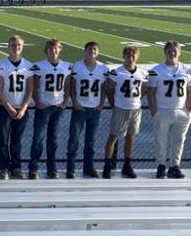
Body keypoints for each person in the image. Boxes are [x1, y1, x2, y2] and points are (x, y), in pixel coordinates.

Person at [147, 41, 191, 179]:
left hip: (181, 111)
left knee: (179, 141)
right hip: (162, 110)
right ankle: (161, 165)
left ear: (179, 52)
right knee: (160, 141)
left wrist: (189, 110)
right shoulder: (156, 70)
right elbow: (150, 92)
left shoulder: (188, 70)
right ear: (165, 53)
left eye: (175, 51)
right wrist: (154, 112)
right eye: (169, 51)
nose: (172, 53)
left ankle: (174, 166)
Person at [28, 38, 71, 180]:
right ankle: (33, 168)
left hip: (58, 107)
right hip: (44, 106)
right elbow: (33, 86)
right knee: (38, 139)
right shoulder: (40, 66)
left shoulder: (66, 66)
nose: (53, 51)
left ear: (60, 50)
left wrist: (65, 101)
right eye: (51, 49)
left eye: (56, 48)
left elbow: (67, 86)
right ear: (46, 51)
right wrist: (37, 101)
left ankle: (52, 168)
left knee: (53, 140)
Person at [66, 41, 109, 179]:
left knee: (91, 142)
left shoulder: (103, 68)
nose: (92, 51)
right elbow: (71, 87)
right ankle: (70, 169)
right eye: (90, 49)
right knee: (74, 140)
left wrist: (102, 103)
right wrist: (75, 102)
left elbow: (104, 88)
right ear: (85, 51)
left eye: (95, 49)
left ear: (98, 52)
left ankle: (88, 168)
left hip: (95, 108)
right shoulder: (77, 66)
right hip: (80, 108)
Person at [103, 46, 147, 179]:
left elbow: (143, 90)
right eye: (127, 54)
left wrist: (136, 101)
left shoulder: (142, 73)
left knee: (130, 137)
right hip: (121, 108)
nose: (130, 56)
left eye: (133, 54)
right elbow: (109, 90)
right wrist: (114, 104)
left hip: (135, 108)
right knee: (113, 137)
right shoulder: (116, 72)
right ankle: (107, 166)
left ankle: (127, 165)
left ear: (137, 56)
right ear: (123, 56)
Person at [0, 35, 34, 180]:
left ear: (22, 47)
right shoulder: (0, 65)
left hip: (22, 109)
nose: (16, 47)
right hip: (5, 109)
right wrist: (9, 107)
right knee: (3, 140)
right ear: (8, 47)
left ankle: (16, 167)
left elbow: (30, 89)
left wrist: (23, 108)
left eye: (19, 45)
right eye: (13, 45)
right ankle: (4, 168)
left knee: (17, 141)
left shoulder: (28, 65)